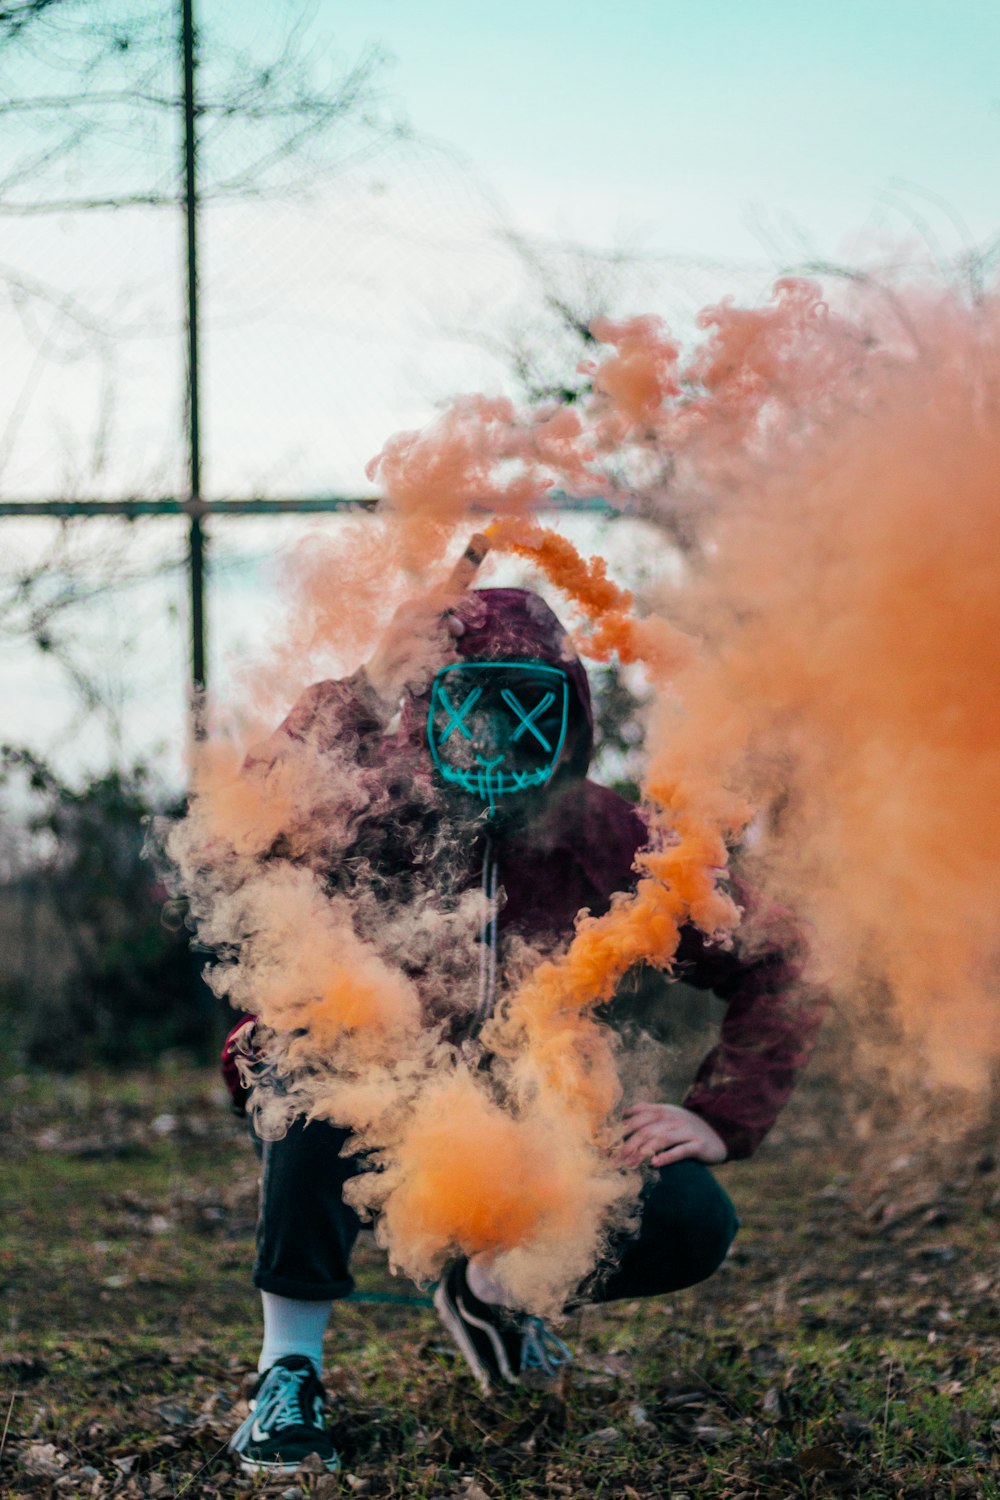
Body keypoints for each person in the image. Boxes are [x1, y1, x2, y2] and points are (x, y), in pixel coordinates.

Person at [220, 578, 820, 1476]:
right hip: (353, 1081)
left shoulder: (611, 834)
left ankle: (492, 1294)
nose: (495, 735)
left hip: (523, 1107)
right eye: (470, 704)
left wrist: (720, 1117)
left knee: (691, 1216)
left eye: (523, 706)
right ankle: (288, 1371)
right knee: (313, 1058)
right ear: (423, 704)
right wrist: (365, 687)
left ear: (569, 711)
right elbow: (245, 820)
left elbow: (779, 956)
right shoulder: (362, 800)